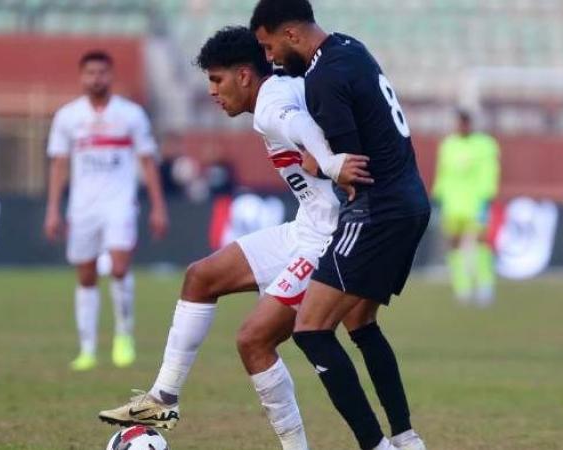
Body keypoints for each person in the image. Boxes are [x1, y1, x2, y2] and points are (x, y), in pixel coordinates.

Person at [99, 26, 372, 450]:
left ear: (244, 76)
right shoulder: (282, 87)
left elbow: (296, 121)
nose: (212, 91)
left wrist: (330, 163)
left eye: (216, 79)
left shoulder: (272, 103)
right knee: (201, 277)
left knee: (254, 341)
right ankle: (161, 400)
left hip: (327, 241)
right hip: (305, 227)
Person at [250, 1, 431, 449]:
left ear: (291, 34)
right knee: (360, 321)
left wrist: (318, 162)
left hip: (375, 213)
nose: (270, 58)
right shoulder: (352, 48)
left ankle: (377, 445)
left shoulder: (322, 79)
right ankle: (406, 438)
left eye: (269, 45)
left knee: (310, 329)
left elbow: (350, 165)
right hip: (410, 202)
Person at [44, 50, 169, 371]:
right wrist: (53, 210)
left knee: (118, 266)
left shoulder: (131, 115)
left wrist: (158, 206)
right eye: (90, 73)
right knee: (85, 275)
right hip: (83, 207)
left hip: (120, 204)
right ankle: (87, 348)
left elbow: (147, 161)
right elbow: (58, 164)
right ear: (81, 77)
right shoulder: (68, 117)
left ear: (111, 76)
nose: (96, 78)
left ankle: (123, 335)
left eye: (102, 72)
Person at [433, 110, 500, 306]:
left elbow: (490, 173)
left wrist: (487, 197)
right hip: (452, 205)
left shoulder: (485, 145)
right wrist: (439, 196)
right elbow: (442, 173)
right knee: (453, 245)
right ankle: (462, 288)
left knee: (480, 243)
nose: (461, 127)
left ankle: (485, 286)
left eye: (465, 123)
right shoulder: (448, 145)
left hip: (475, 203)